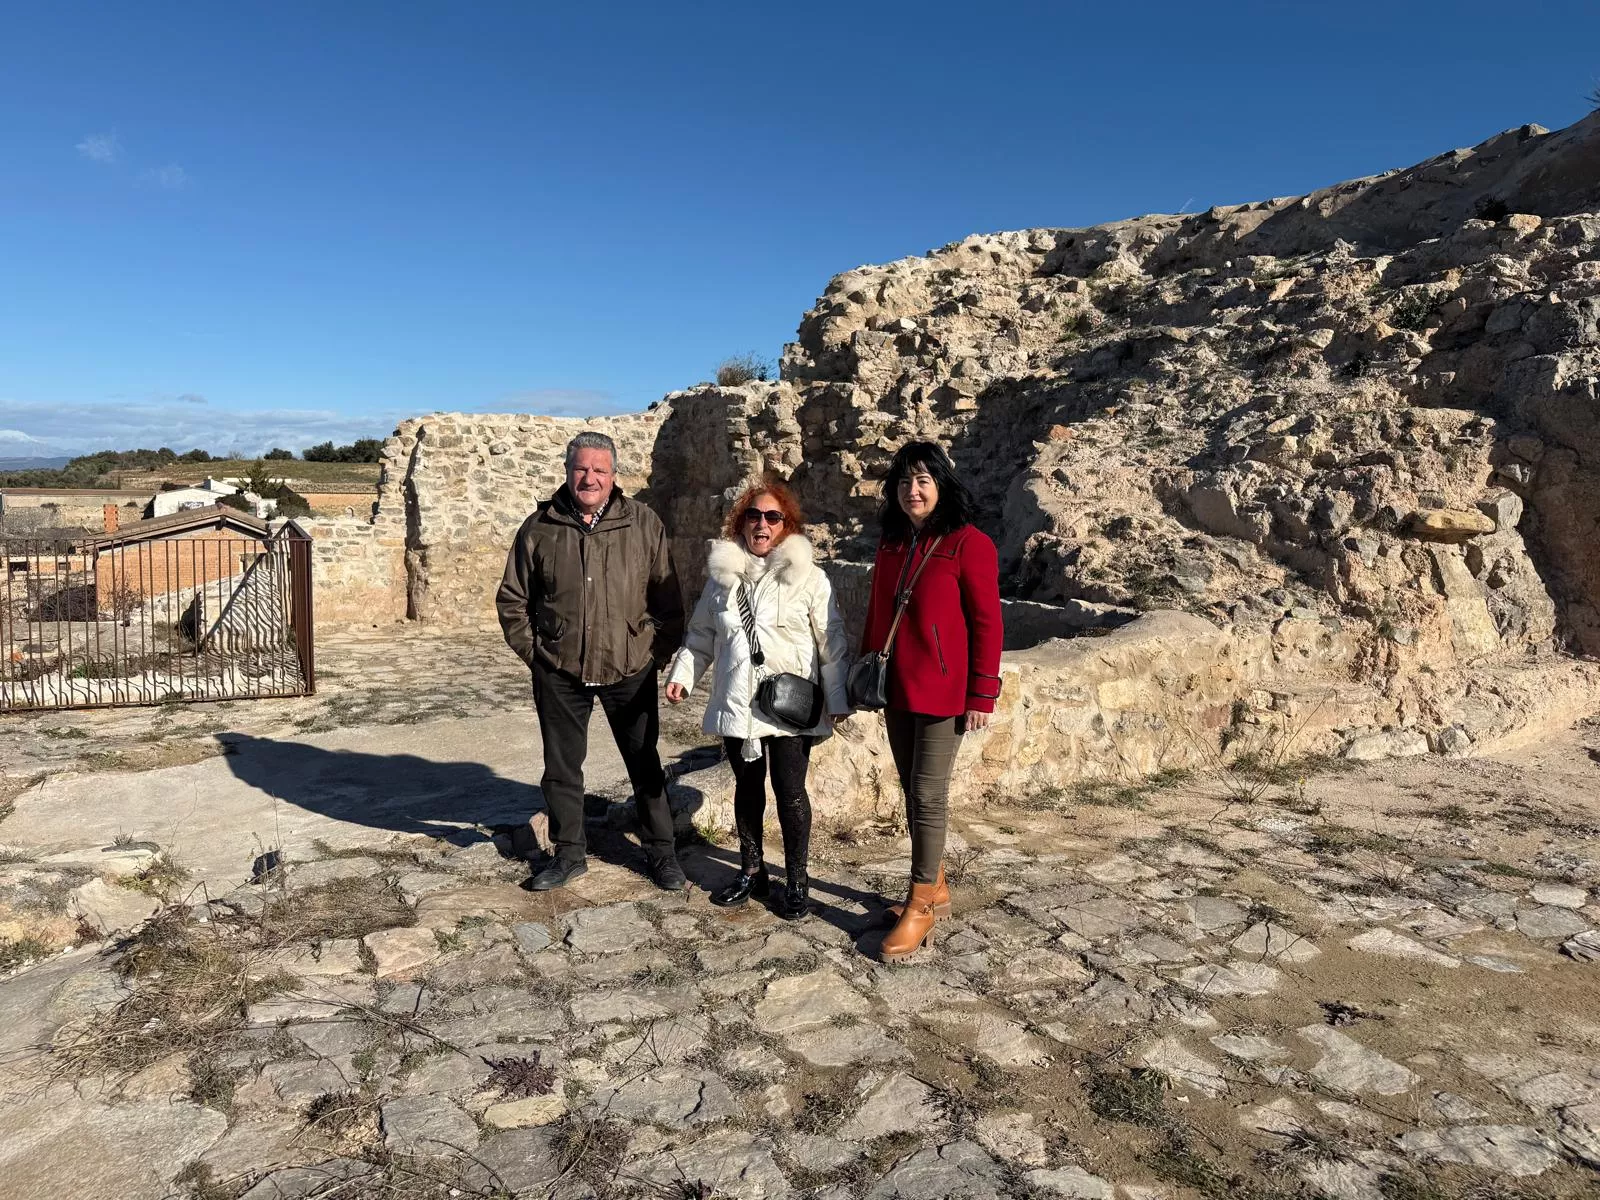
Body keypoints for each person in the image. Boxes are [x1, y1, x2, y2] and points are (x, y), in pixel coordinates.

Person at [496, 431, 687, 892]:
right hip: (561, 670)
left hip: (630, 667)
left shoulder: (642, 523)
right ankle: (568, 854)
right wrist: (539, 655)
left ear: (613, 475)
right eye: (582, 469)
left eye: (600, 470)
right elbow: (512, 599)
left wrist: (654, 655)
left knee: (644, 763)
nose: (590, 478)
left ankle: (662, 854)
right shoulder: (540, 526)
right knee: (562, 769)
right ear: (567, 471)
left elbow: (668, 599)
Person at [664, 475, 850, 919]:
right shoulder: (722, 579)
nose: (761, 524)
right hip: (738, 704)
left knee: (790, 792)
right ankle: (751, 870)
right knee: (747, 791)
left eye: (772, 516)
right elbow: (701, 636)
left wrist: (838, 696)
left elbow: (832, 640)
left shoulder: (810, 578)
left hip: (789, 706)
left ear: (787, 525)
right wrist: (683, 675)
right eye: (753, 515)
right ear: (740, 523)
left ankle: (798, 881)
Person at [861, 441, 1002, 961]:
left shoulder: (969, 544)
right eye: (903, 482)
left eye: (922, 480)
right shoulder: (892, 544)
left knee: (927, 794)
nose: (912, 491)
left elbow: (987, 623)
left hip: (943, 693)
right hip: (896, 687)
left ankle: (920, 903)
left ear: (941, 484)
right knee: (909, 788)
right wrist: (864, 671)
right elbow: (878, 614)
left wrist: (982, 692)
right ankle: (936, 882)